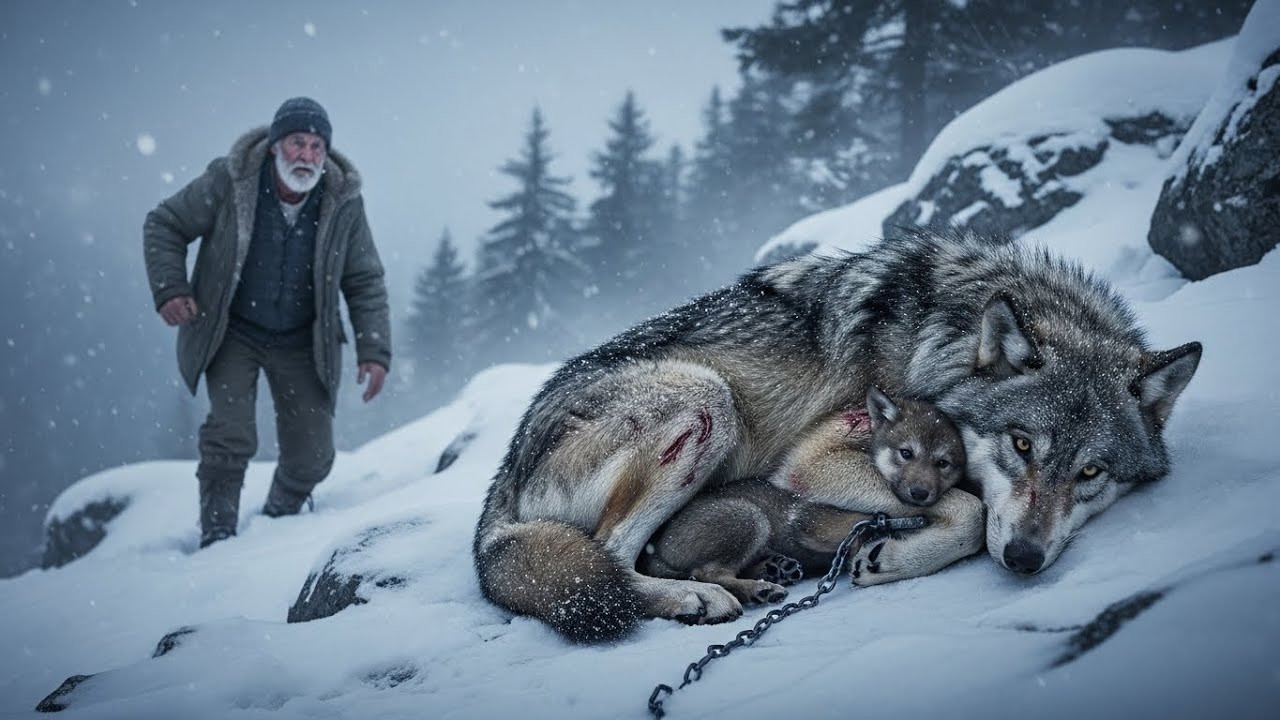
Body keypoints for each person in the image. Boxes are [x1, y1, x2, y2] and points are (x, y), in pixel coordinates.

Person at [144, 97, 391, 548]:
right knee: (230, 435)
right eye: (298, 143)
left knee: (314, 457)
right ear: (276, 145)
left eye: (318, 147)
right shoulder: (230, 180)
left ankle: (277, 520)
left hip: (304, 339)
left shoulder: (342, 202)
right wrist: (171, 289)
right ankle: (218, 534)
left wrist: (374, 350)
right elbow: (165, 223)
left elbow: (364, 278)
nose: (308, 156)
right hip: (231, 330)